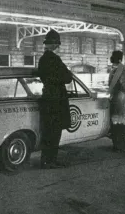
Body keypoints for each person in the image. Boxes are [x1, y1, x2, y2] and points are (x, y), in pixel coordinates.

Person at [37, 29, 72, 169]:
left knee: (48, 131)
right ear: (53, 45)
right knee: (55, 131)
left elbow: (43, 76)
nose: (58, 47)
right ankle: (51, 161)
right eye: (57, 45)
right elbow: (68, 78)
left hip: (47, 98)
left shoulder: (41, 59)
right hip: (57, 99)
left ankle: (45, 160)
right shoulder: (55, 59)